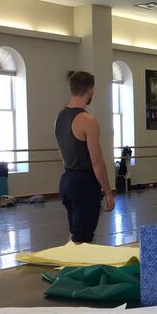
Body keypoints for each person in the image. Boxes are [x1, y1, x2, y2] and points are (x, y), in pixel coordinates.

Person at [54, 71, 114, 243]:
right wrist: (108, 192)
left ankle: (68, 266)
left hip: (66, 181)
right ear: (91, 90)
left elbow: (62, 154)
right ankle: (74, 268)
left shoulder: (59, 117)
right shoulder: (88, 120)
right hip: (84, 184)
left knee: (74, 233)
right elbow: (97, 162)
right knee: (83, 240)